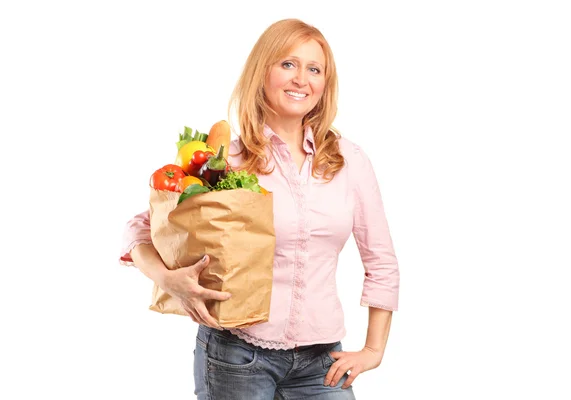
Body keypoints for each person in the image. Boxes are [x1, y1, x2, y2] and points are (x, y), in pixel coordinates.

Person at [120, 18, 399, 399]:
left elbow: (381, 260)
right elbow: (141, 227)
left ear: (324, 85)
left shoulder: (349, 161)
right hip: (236, 355)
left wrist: (373, 350)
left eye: (314, 69)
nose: (301, 78)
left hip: (323, 363)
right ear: (261, 72)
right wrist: (166, 279)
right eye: (287, 64)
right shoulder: (223, 160)